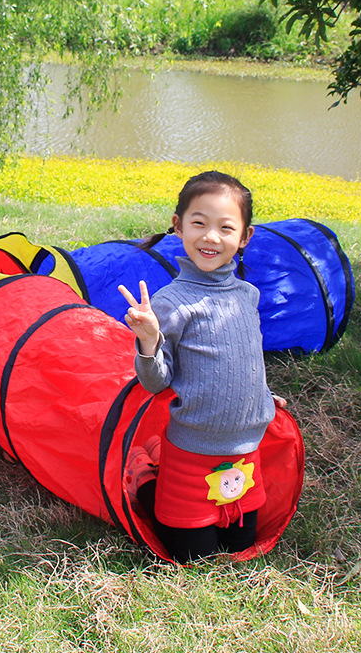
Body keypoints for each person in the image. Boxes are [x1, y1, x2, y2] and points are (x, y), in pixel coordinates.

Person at [118, 170, 287, 563]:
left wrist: (261, 395)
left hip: (246, 451)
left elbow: (246, 356)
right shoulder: (171, 302)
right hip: (192, 451)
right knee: (196, 559)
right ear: (178, 226)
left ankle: (156, 460)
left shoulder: (247, 295)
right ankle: (146, 478)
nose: (211, 237)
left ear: (244, 237)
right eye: (199, 223)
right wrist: (148, 340)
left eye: (225, 228)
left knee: (241, 547)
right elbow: (156, 382)